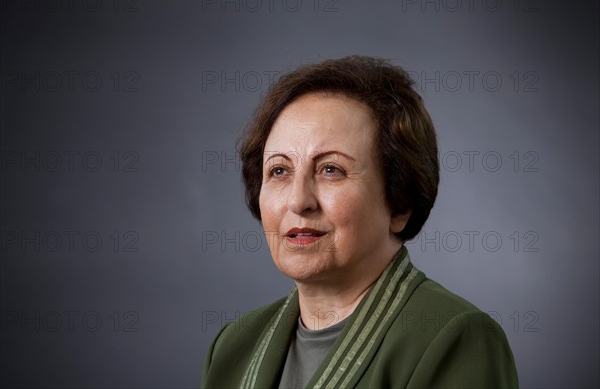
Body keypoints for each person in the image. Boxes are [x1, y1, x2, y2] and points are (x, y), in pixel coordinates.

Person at [202, 56, 519, 388]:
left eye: (331, 170)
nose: (298, 201)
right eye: (279, 171)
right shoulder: (232, 346)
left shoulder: (455, 338)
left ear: (400, 204)